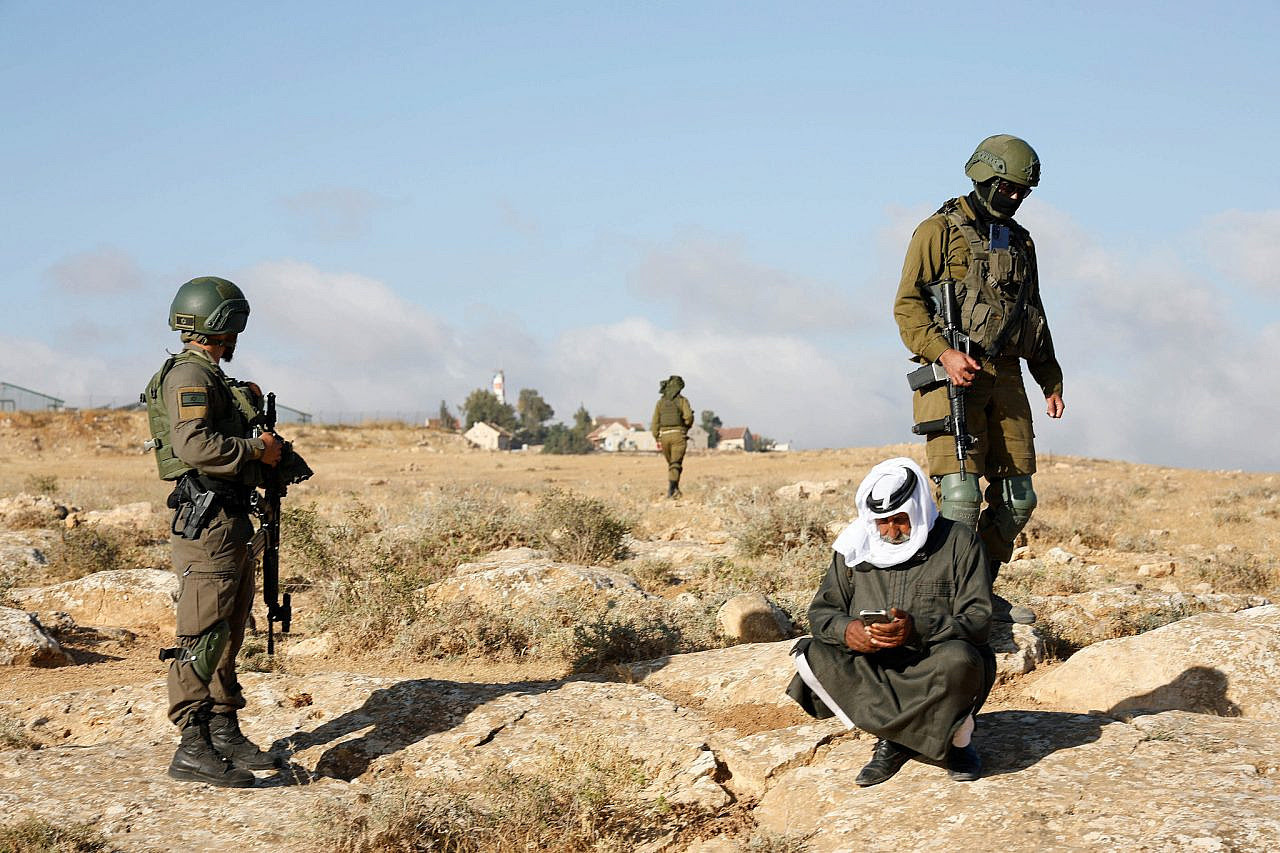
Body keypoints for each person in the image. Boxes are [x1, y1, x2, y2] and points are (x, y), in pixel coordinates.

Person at [893, 134, 1064, 623]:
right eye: (1007, 188)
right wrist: (942, 353)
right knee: (962, 497)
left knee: (1018, 497)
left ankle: (977, 590)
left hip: (1007, 377)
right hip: (954, 376)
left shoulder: (1021, 240)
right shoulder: (937, 231)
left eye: (1022, 193)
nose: (1015, 198)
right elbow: (907, 304)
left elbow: (1032, 313)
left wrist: (1048, 376)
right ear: (983, 177)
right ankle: (943, 600)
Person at [143, 276, 282, 787]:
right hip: (208, 523)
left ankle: (223, 727)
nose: (237, 336)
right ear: (217, 323)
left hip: (229, 519)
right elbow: (196, 446)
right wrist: (254, 451)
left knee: (228, 628)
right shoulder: (190, 376)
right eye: (233, 325)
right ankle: (192, 743)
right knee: (201, 632)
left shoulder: (213, 377)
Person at [786, 458, 995, 786]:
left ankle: (955, 743)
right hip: (875, 666)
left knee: (961, 660)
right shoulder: (855, 546)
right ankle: (902, 738)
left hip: (931, 662)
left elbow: (979, 620)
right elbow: (822, 613)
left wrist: (918, 629)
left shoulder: (958, 542)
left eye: (900, 520)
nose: (891, 531)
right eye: (881, 522)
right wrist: (848, 630)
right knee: (812, 654)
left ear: (919, 509)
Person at [651, 375, 694, 498]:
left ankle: (675, 489)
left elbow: (655, 422)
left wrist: (656, 437)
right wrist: (686, 427)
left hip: (664, 437)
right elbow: (689, 417)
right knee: (676, 464)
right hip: (678, 435)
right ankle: (671, 491)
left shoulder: (660, 403)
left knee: (672, 464)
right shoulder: (682, 400)